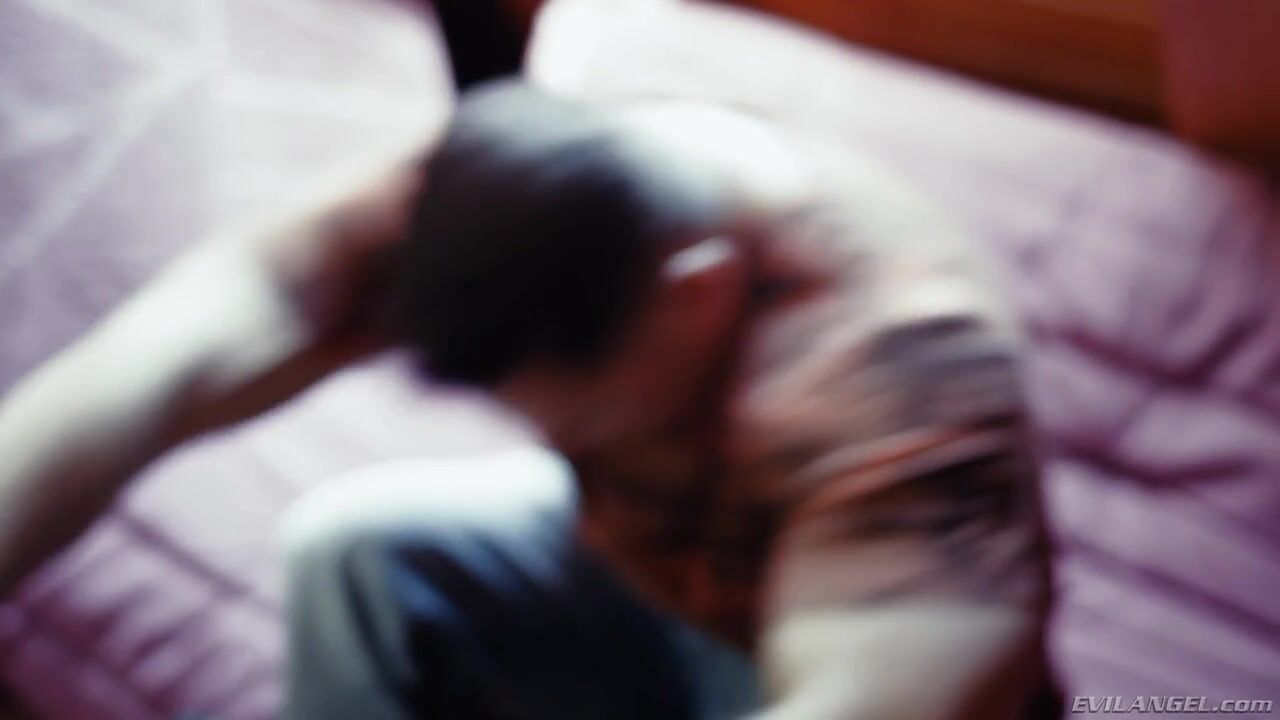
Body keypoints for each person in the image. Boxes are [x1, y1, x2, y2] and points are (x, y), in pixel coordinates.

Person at [0, 80, 1054, 719]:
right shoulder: (532, 192)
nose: (546, 438)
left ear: (697, 295)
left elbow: (880, 700)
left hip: (803, 642)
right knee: (353, 545)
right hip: (643, 574)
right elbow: (166, 355)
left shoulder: (908, 381)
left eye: (575, 418)